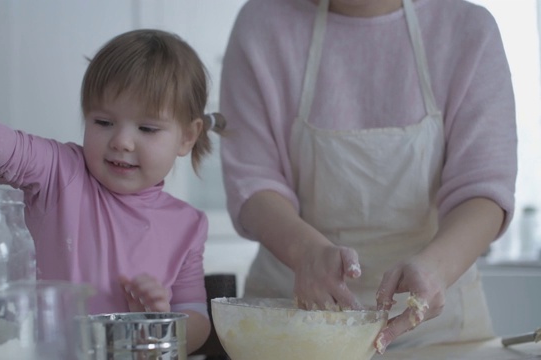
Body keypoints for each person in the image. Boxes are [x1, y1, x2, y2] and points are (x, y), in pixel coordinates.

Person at [219, 0, 516, 354]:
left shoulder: (468, 30)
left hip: (440, 332)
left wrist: (436, 268)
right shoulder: (262, 24)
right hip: (292, 326)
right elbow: (253, 183)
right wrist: (305, 252)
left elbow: (483, 188)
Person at [0, 29, 226, 354]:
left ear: (187, 137)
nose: (121, 141)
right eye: (103, 122)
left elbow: (197, 320)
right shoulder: (58, 171)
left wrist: (160, 322)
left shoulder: (188, 225)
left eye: (147, 128)